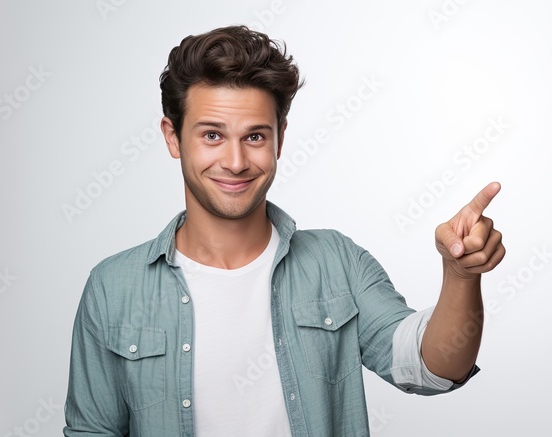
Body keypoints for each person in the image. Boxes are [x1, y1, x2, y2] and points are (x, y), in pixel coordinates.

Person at [63, 25, 505, 437]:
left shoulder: (337, 262)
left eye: (255, 136)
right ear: (173, 138)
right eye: (212, 135)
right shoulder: (112, 288)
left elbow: (430, 369)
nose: (235, 162)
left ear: (280, 137)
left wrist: (461, 275)